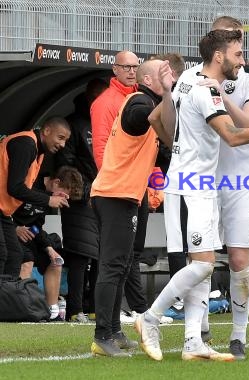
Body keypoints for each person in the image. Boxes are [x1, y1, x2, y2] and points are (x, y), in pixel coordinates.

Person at [135, 29, 249, 362]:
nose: (242, 59)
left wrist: (178, 145)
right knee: (202, 265)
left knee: (204, 261)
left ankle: (193, 344)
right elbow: (232, 135)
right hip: (194, 185)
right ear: (219, 55)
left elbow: (161, 121)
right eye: (237, 52)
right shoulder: (206, 89)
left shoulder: (190, 78)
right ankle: (151, 318)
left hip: (197, 182)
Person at [165, 17, 249, 358]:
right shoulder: (194, 78)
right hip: (202, 179)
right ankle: (198, 330)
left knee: (239, 257)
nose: (240, 54)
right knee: (203, 256)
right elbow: (170, 119)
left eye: (240, 42)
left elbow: (248, 123)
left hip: (241, 175)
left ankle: (238, 335)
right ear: (218, 47)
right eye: (233, 44)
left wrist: (216, 94)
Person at [89, 59, 173, 357]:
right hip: (114, 195)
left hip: (128, 196)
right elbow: (143, 118)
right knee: (112, 265)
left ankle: (113, 329)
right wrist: (167, 96)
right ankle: (102, 336)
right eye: (165, 74)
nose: (170, 77)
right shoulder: (139, 102)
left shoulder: (148, 102)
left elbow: (165, 149)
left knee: (123, 265)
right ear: (148, 78)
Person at [90, 50, 150, 321]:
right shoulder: (106, 102)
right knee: (115, 262)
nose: (131, 71)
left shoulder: (138, 99)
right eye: (126, 66)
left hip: (136, 188)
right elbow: (101, 148)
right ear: (114, 69)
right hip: (117, 189)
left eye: (135, 66)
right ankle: (117, 322)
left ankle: (123, 318)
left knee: (128, 259)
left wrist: (153, 188)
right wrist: (115, 181)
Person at [55, 78, 108, 322]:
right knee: (79, 255)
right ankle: (76, 310)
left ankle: (95, 308)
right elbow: (65, 164)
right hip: (80, 199)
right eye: (98, 96)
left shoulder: (108, 121)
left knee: (100, 255)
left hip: (103, 196)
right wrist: (85, 192)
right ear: (89, 96)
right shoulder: (74, 123)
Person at [0, 117, 71, 278]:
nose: (63, 145)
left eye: (66, 140)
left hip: (3, 211)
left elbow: (26, 189)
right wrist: (48, 200)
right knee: (5, 255)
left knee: (15, 254)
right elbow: (15, 188)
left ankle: (10, 301)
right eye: (60, 138)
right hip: (4, 211)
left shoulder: (38, 151)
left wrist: (50, 195)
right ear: (46, 131)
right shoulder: (26, 144)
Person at [14, 166, 83, 321]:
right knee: (27, 259)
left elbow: (37, 226)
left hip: (28, 237)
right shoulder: (29, 183)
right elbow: (5, 212)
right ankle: (25, 309)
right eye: (63, 195)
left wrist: (49, 248)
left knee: (56, 260)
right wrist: (15, 229)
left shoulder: (48, 199)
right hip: (10, 235)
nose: (61, 200)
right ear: (56, 182)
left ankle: (53, 311)